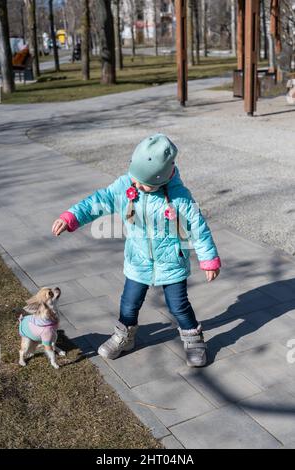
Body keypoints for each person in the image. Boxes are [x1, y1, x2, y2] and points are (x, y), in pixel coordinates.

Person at [52, 134, 221, 367]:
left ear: (163, 178)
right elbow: (98, 201)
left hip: (172, 261)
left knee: (178, 305)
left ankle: (194, 339)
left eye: (145, 183)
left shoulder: (180, 197)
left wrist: (209, 259)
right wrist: (71, 217)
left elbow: (198, 228)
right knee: (129, 303)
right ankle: (124, 336)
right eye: (136, 179)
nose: (138, 186)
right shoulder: (126, 185)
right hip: (138, 260)